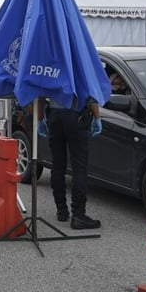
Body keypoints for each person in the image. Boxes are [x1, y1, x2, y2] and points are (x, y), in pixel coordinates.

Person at [41, 96, 102, 230]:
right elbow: (90, 91)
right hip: (76, 114)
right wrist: (97, 117)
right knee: (79, 168)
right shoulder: (81, 72)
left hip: (55, 115)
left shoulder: (56, 73)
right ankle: (78, 215)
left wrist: (40, 118)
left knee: (57, 165)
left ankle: (61, 210)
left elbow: (41, 88)